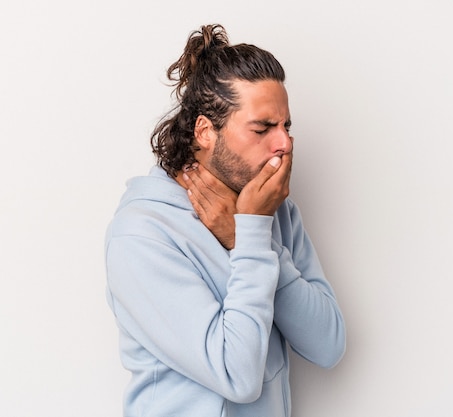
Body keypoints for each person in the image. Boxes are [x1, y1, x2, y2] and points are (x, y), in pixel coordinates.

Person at [104, 23, 346, 417]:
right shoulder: (142, 234)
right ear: (205, 132)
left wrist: (249, 235)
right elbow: (238, 377)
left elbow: (327, 345)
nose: (284, 143)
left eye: (286, 126)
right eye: (262, 128)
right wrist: (249, 238)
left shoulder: (274, 211)